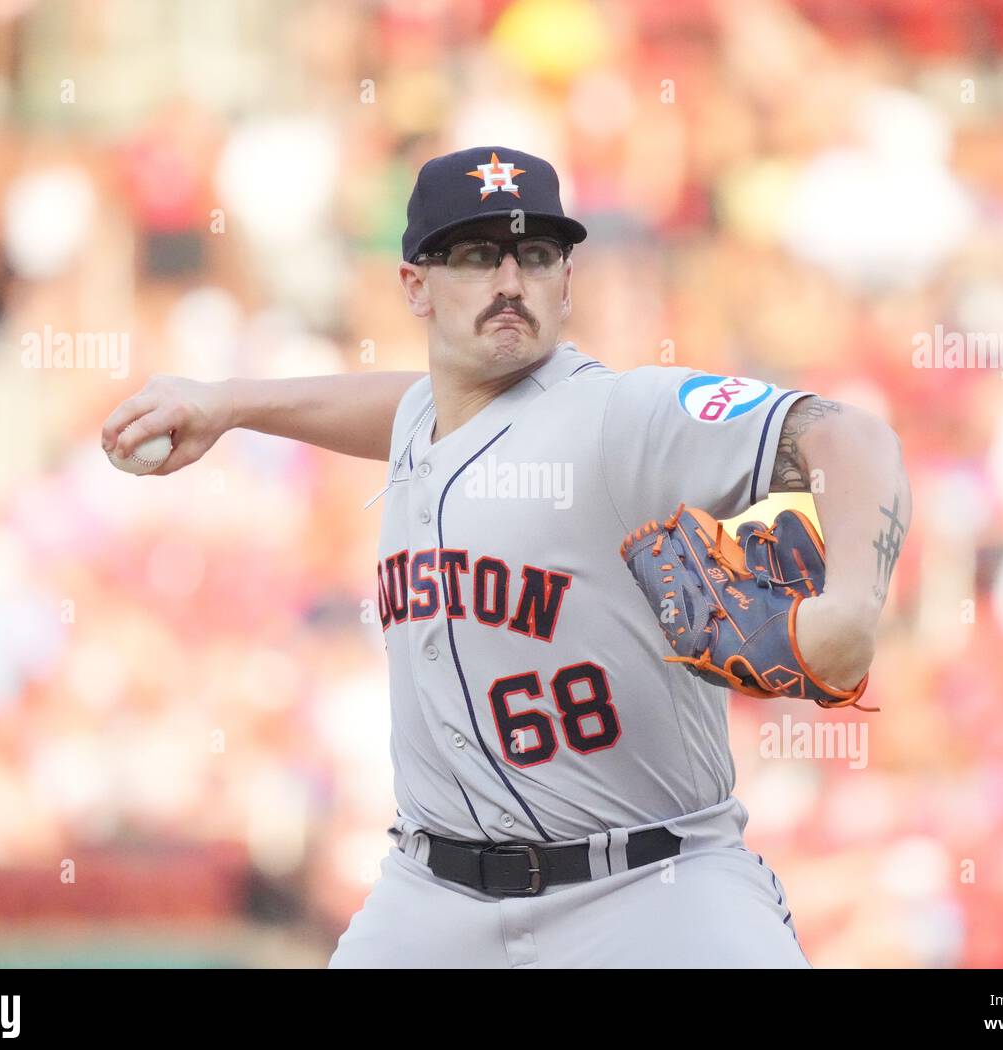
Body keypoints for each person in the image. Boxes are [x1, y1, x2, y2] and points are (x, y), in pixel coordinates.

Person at [102, 146, 912, 968]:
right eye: (477, 254)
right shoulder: (427, 419)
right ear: (415, 284)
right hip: (433, 898)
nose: (510, 281)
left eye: (535, 254)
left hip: (653, 889)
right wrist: (230, 404)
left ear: (566, 279)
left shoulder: (619, 415)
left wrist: (850, 608)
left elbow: (849, 435)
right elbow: (402, 405)